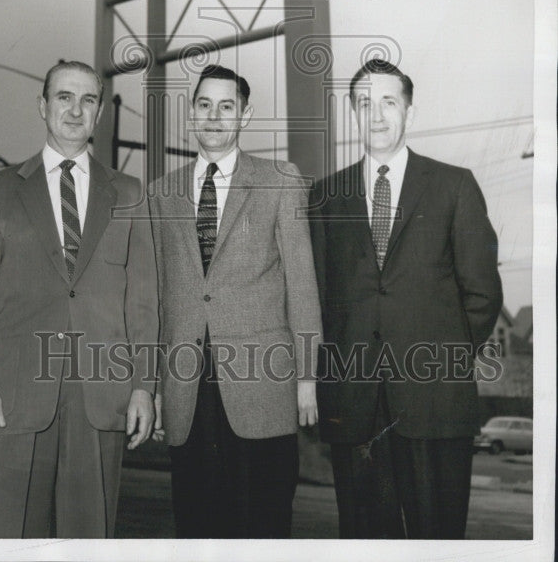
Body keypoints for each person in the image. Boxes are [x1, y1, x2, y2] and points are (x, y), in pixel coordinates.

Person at [309, 58, 503, 539]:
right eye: (364, 104)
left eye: (388, 102)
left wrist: (439, 362)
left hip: (435, 405)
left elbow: (482, 294)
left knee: (436, 539)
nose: (376, 115)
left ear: (409, 114)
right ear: (354, 114)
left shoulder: (454, 186)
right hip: (354, 409)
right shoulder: (324, 197)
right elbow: (317, 298)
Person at [0, 60, 157, 538]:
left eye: (88, 99)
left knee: (90, 537)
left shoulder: (130, 194)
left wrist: (143, 386)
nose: (76, 109)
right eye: (64, 97)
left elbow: (144, 300)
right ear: (43, 106)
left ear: (99, 115)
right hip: (15, 392)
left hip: (101, 391)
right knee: (11, 536)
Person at [146, 64, 322, 538]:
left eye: (227, 106)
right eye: (204, 105)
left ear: (245, 115)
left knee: (262, 526)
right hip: (187, 387)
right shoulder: (160, 194)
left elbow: (302, 284)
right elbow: (158, 296)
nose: (215, 116)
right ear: (191, 114)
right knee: (196, 526)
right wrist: (155, 387)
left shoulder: (279, 180)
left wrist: (307, 377)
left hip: (263, 384)